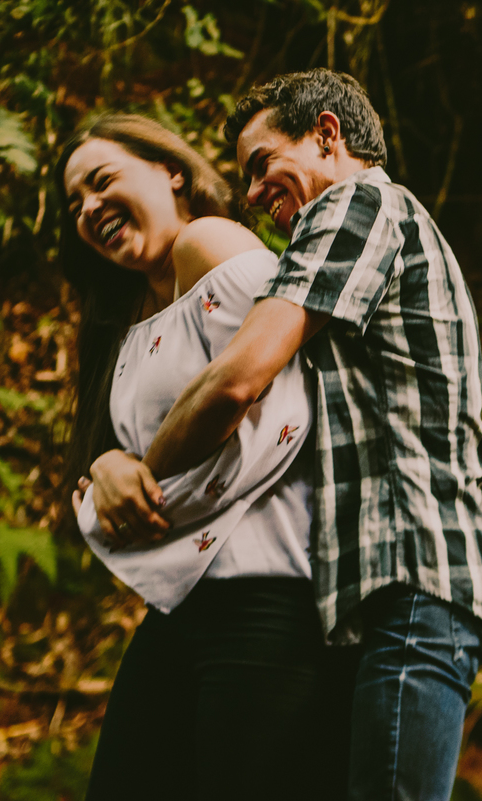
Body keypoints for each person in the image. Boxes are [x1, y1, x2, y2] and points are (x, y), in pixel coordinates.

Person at [90, 71, 482, 800]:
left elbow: (238, 378)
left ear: (327, 133)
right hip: (374, 591)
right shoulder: (361, 245)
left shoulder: (360, 205)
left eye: (262, 164)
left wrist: (141, 475)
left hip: (416, 576)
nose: (253, 194)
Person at [56, 114, 353, 801]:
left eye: (102, 181)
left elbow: (255, 403)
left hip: (270, 599)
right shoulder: (130, 315)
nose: (89, 208)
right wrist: (107, 467)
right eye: (74, 205)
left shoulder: (208, 242)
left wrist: (130, 482)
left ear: (171, 172)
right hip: (184, 606)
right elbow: (135, 462)